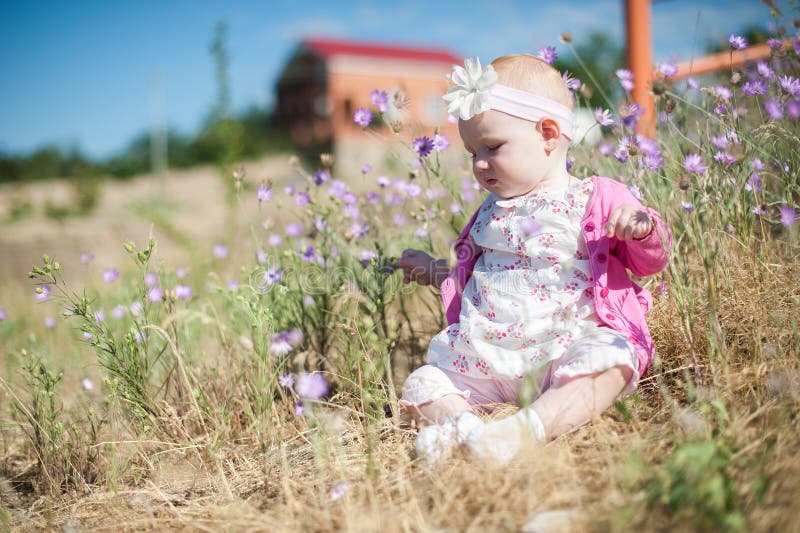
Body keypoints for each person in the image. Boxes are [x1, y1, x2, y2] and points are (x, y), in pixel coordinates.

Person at [396, 54, 672, 465]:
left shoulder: (593, 197)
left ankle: (525, 430)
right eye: (472, 152)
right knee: (424, 384)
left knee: (612, 359)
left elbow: (651, 261)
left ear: (547, 133)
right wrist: (436, 272)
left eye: (492, 147)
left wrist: (643, 228)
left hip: (565, 347)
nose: (479, 164)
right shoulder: (489, 211)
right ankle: (464, 430)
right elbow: (481, 279)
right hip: (487, 357)